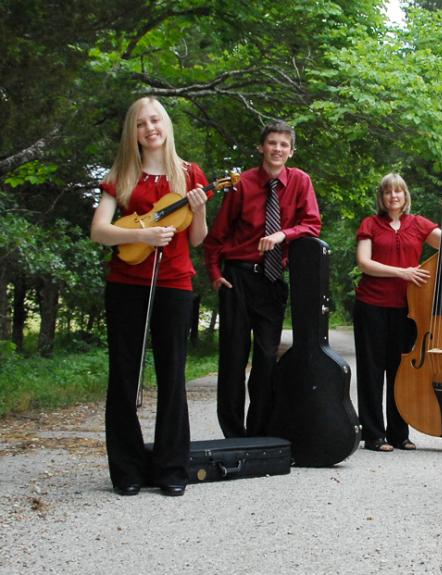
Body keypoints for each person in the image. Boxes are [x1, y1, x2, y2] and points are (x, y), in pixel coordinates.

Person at [90, 96, 209, 497]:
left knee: (173, 375)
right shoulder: (122, 173)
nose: (149, 128)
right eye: (141, 124)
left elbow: (197, 239)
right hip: (126, 284)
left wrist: (201, 211)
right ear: (133, 131)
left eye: (155, 120)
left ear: (166, 124)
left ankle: (172, 468)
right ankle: (126, 469)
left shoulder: (189, 173)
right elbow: (99, 230)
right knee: (124, 374)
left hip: (175, 283)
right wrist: (140, 235)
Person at [203, 121, 321, 438]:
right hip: (238, 278)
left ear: (291, 151)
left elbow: (312, 225)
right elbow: (216, 238)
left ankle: (259, 432)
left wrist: (284, 234)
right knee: (233, 358)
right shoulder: (241, 184)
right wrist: (216, 275)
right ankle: (232, 433)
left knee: (267, 359)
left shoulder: (300, 181)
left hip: (271, 281)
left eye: (284, 144)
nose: (277, 149)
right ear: (261, 148)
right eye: (272, 143)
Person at [353, 173, 442, 452]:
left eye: (399, 191)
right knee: (371, 371)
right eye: (388, 192)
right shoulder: (370, 224)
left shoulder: (419, 224)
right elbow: (364, 263)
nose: (394, 196)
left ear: (405, 196)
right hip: (371, 305)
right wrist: (402, 272)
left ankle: (399, 434)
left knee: (401, 372)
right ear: (382, 197)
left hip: (408, 308)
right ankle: (374, 435)